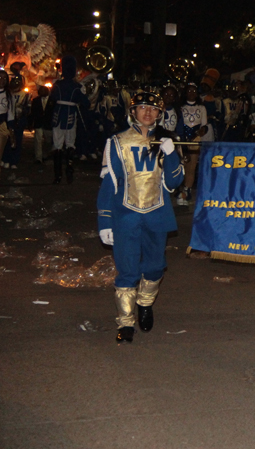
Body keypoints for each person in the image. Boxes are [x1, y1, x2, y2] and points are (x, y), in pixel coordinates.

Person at [97, 91, 184, 343]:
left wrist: (170, 154)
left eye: (153, 108)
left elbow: (175, 181)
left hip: (157, 213)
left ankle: (145, 303)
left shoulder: (166, 141)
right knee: (127, 270)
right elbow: (108, 184)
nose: (148, 112)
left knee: (156, 266)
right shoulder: (116, 142)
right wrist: (105, 220)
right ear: (132, 112)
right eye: (142, 107)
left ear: (160, 114)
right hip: (126, 216)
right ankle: (125, 322)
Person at [49, 55, 90, 184]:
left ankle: (57, 176)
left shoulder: (57, 85)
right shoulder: (76, 86)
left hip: (58, 114)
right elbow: (86, 103)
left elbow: (52, 100)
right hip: (71, 115)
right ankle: (69, 171)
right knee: (70, 144)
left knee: (57, 145)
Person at [177, 83, 209, 205]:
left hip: (195, 138)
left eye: (194, 91)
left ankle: (187, 190)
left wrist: (201, 131)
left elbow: (204, 125)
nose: (192, 93)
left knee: (192, 165)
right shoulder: (180, 107)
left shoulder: (201, 108)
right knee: (182, 164)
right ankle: (181, 187)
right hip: (181, 138)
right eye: (189, 91)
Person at [0, 71, 16, 179]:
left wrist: (11, 130)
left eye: (5, 78)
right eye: (0, 78)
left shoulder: (9, 95)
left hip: (2, 124)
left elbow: (10, 113)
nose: (2, 80)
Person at [31, 85, 52, 164]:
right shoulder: (36, 100)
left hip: (48, 123)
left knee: (48, 140)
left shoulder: (52, 101)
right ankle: (38, 157)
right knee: (38, 140)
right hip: (39, 122)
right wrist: (31, 122)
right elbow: (32, 112)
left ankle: (45, 154)